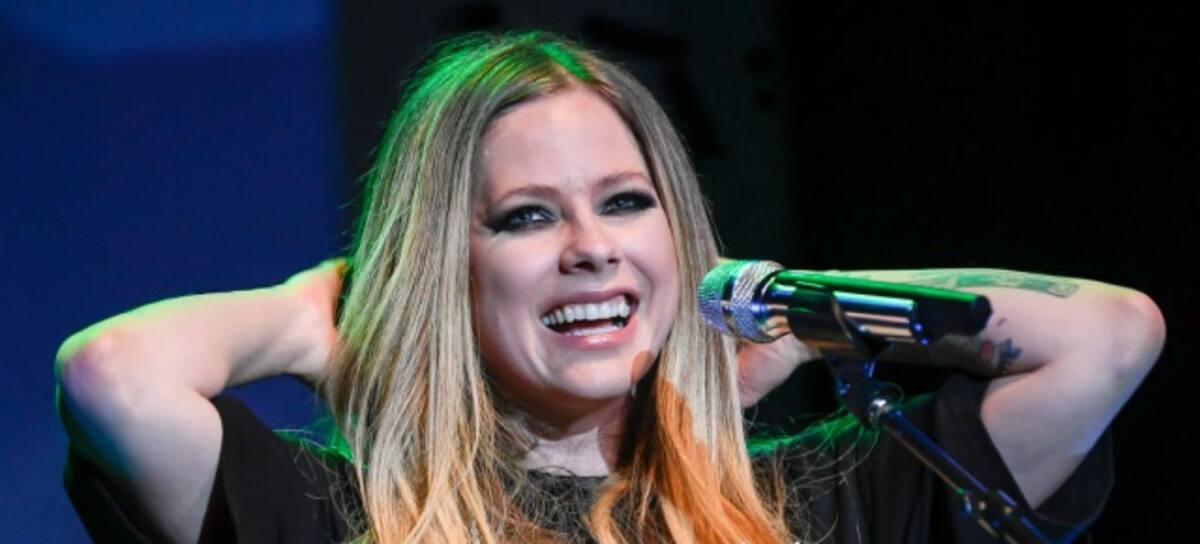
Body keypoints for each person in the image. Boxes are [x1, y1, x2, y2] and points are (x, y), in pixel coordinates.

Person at [56, 31, 1165, 543]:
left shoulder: (819, 503)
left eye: (628, 203)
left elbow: (1110, 334)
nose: (592, 247)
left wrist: (795, 307)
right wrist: (318, 316)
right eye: (527, 217)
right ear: (443, 269)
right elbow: (116, 375)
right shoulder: (334, 518)